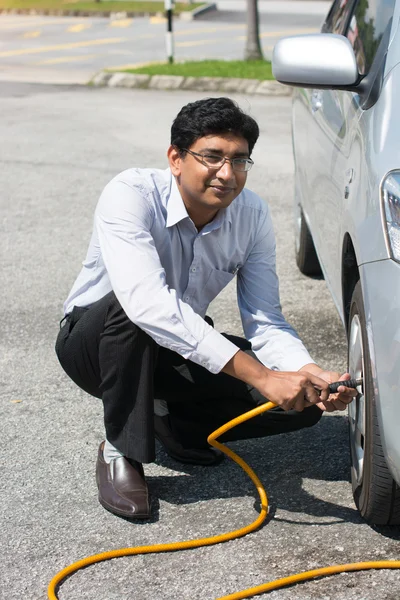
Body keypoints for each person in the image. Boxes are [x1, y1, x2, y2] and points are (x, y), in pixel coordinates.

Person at [55, 97, 357, 520]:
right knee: (136, 309)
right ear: (176, 158)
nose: (227, 173)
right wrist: (263, 376)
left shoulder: (251, 215)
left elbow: (265, 318)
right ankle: (121, 449)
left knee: (301, 404)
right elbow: (148, 304)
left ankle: (173, 423)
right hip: (94, 344)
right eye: (212, 157)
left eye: (240, 160)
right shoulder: (130, 194)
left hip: (174, 344)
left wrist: (306, 372)